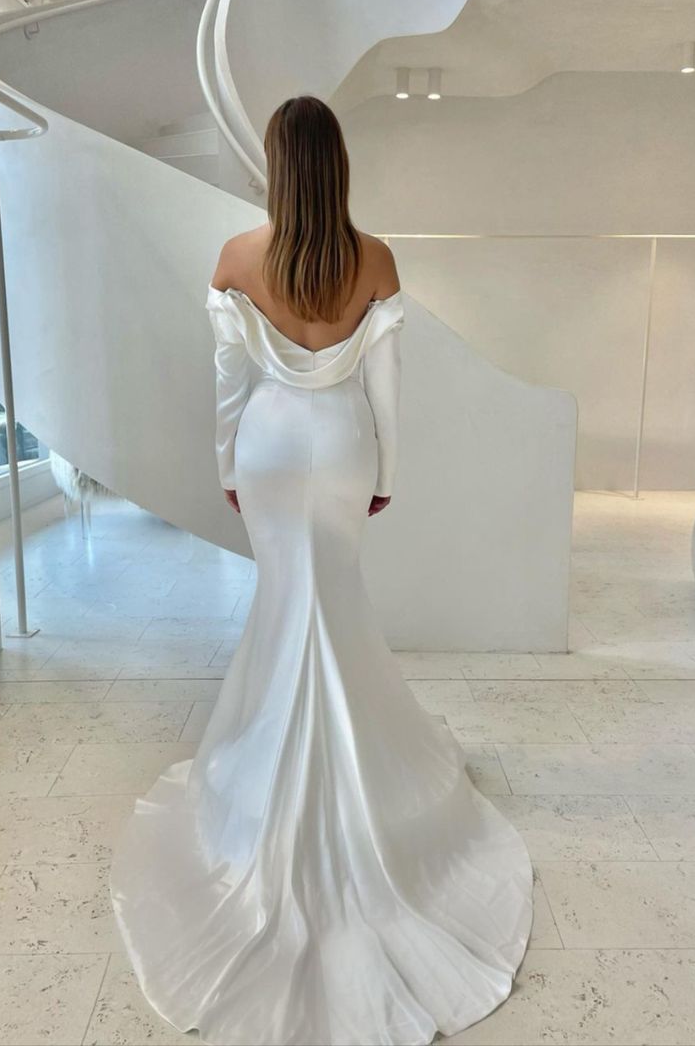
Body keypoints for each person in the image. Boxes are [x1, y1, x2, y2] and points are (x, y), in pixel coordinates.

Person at [109, 95, 534, 1046]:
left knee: (285, 604)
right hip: (342, 446)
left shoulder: (235, 256)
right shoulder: (373, 259)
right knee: (331, 604)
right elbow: (386, 384)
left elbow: (229, 383)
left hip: (266, 448)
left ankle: (275, 789)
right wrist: (387, 473)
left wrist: (228, 468)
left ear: (274, 164)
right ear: (337, 163)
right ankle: (356, 796)